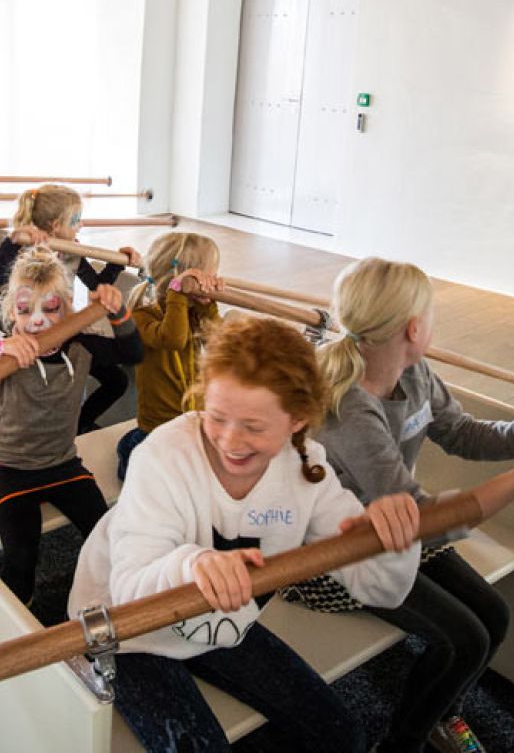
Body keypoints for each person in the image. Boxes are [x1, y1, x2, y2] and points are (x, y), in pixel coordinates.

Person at [67, 314, 422, 752]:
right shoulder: (162, 456)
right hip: (124, 629)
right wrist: (193, 565)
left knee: (342, 736)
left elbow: (379, 590)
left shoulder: (307, 467)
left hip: (221, 620)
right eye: (217, 418)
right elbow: (128, 589)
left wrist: (393, 543)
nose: (230, 441)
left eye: (253, 427)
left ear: (296, 420)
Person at [284, 257, 514, 753]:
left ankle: (444, 712)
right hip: (337, 555)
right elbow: (425, 518)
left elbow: (461, 432)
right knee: (462, 639)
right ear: (413, 327)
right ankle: (404, 742)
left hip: (400, 529)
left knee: (495, 616)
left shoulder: (414, 370)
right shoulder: (348, 408)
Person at [0, 247, 142, 603]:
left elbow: (133, 355)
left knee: (106, 538)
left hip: (64, 465)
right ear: (12, 312)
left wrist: (119, 313)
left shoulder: (81, 346)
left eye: (50, 310)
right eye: (25, 311)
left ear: (67, 309)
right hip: (11, 471)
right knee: (21, 558)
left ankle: (111, 605)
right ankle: (15, 624)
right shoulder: (8, 351)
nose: (37, 321)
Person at [0, 185, 141, 433]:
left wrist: (117, 263)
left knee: (116, 380)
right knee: (33, 387)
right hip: (25, 334)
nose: (80, 225)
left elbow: (96, 285)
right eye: (76, 220)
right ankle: (13, 419)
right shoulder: (23, 249)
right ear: (56, 224)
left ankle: (79, 423)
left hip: (62, 331)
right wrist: (12, 242)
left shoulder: (72, 251)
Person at [116, 232, 225, 479]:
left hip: (193, 418)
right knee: (147, 469)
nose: (213, 279)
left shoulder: (192, 310)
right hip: (158, 422)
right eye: (208, 274)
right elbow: (173, 339)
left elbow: (218, 341)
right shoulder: (143, 316)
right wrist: (178, 293)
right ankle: (128, 454)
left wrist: (208, 304)